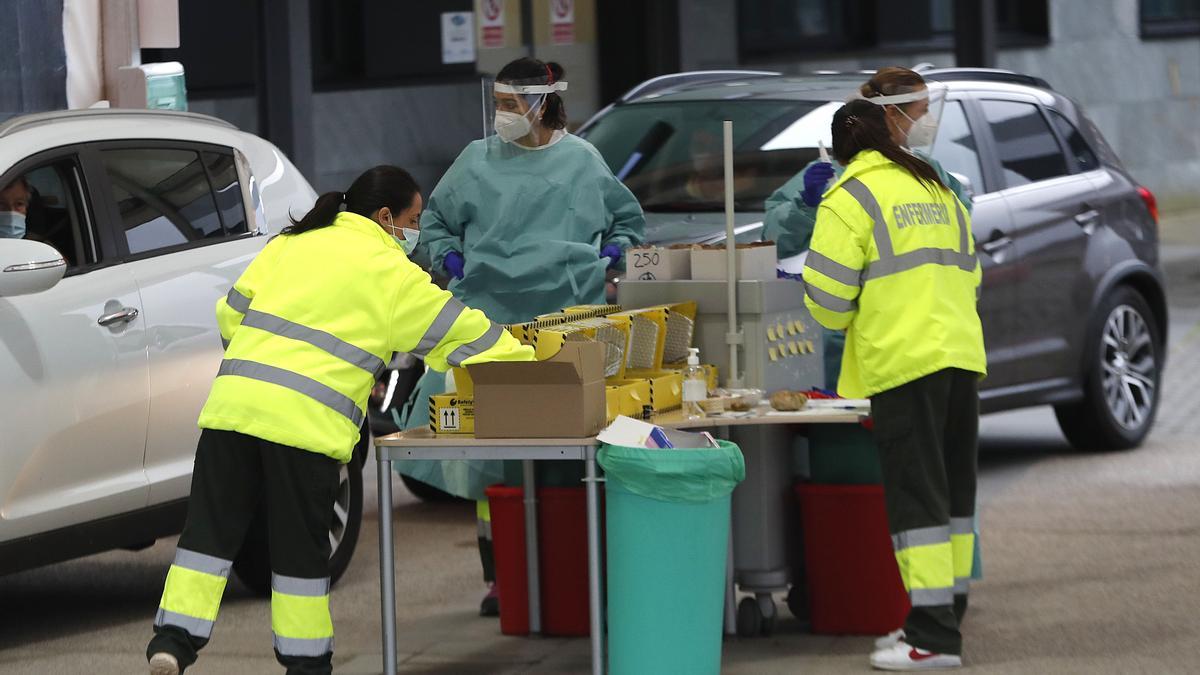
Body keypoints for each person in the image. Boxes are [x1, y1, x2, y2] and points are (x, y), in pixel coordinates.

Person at [145, 166, 534, 675]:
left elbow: (231, 315)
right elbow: (467, 337)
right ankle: (306, 666)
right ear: (386, 217)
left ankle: (172, 643)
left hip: (232, 412)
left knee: (207, 537)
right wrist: (536, 359)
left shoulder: (292, 244)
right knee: (299, 557)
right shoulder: (392, 274)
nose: (415, 234)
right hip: (306, 429)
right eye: (414, 220)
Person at [408, 57, 645, 615]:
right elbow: (435, 221)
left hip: (565, 321)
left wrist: (613, 254)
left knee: (567, 453)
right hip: (489, 322)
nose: (502, 116)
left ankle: (568, 569)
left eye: (512, 105)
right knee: (493, 456)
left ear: (542, 103)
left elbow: (628, 221)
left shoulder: (583, 162)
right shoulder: (476, 161)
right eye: (498, 104)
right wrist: (447, 256)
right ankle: (503, 574)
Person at [802, 99, 985, 671]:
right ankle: (942, 618)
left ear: (837, 151)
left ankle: (931, 641)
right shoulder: (934, 187)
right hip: (959, 352)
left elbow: (828, 303)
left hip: (904, 363)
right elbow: (971, 272)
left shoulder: (850, 195)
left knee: (918, 500)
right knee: (953, 499)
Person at [764, 67, 972, 390]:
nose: (929, 121)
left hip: (910, 342)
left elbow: (956, 238)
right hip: (851, 345)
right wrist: (805, 204)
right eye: (923, 111)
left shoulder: (929, 172)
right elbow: (773, 238)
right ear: (893, 114)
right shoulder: (836, 174)